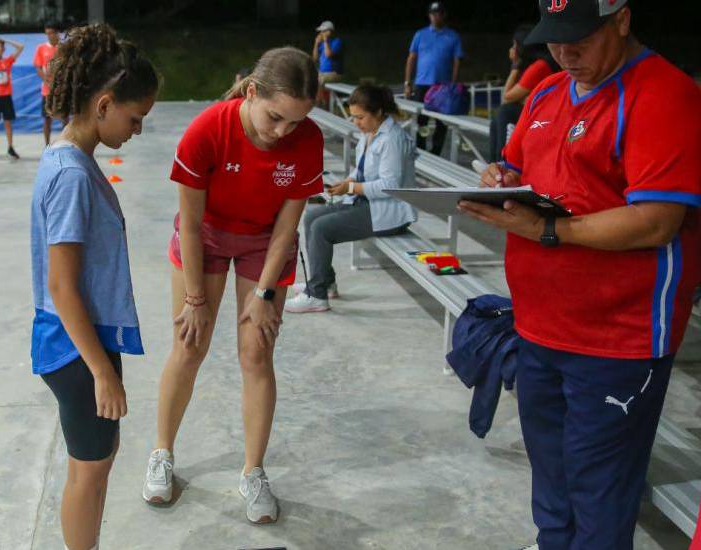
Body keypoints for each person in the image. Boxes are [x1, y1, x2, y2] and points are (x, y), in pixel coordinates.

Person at [457, 0, 701, 548]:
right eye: (555, 40)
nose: (565, 54)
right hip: (539, 326)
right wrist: (500, 178)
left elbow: (657, 222)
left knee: (599, 492)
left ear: (622, 19)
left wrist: (549, 232)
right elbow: (518, 169)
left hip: (617, 339)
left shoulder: (663, 94)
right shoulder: (547, 92)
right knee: (551, 477)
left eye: (580, 39)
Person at [142, 47, 323, 525]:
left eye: (295, 122)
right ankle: (162, 453)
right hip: (205, 236)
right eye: (276, 117)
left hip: (265, 243)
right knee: (189, 344)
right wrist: (197, 299)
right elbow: (191, 218)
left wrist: (265, 295)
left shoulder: (307, 139)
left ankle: (253, 471)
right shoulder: (208, 130)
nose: (284, 132)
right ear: (251, 93)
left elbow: (287, 228)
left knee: (257, 354)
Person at [30, 23, 158, 550]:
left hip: (87, 343)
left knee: (99, 460)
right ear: (104, 104)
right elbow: (62, 287)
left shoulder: (73, 162)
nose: (138, 130)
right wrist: (102, 373)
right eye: (136, 117)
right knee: (89, 469)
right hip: (76, 348)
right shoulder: (72, 176)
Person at [285, 84, 418, 313]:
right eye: (353, 116)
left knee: (322, 229)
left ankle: (316, 295)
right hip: (369, 204)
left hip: (390, 211)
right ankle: (325, 283)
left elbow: (390, 185)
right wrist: (346, 183)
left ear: (377, 112)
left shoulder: (392, 139)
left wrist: (352, 187)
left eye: (360, 117)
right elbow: (362, 170)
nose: (355, 122)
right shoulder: (370, 132)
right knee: (311, 216)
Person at [488, 24, 559, 161]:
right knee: (499, 116)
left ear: (524, 47)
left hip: (545, 116)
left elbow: (507, 97)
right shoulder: (537, 64)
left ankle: (502, 162)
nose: (512, 50)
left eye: (515, 45)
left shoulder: (539, 67)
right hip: (539, 112)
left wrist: (515, 66)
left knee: (505, 111)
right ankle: (494, 163)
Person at [404, 1, 463, 154]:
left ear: (444, 15)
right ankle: (420, 149)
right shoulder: (420, 34)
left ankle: (436, 151)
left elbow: (457, 61)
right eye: (432, 13)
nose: (435, 17)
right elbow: (411, 58)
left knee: (441, 122)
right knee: (420, 119)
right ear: (429, 15)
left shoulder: (453, 36)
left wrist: (453, 84)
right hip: (422, 83)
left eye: (438, 13)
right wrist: (407, 83)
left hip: (442, 86)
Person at [33, 21, 61, 146]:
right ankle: (47, 145)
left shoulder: (63, 48)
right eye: (47, 33)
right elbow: (38, 68)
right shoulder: (41, 48)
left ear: (57, 33)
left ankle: (66, 143)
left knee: (65, 117)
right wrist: (47, 81)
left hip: (62, 89)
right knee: (47, 119)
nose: (49, 36)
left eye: (51, 33)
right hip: (47, 90)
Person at [311, 20, 344, 107]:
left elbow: (329, 55)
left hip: (334, 74)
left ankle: (318, 105)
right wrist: (316, 43)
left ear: (329, 31)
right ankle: (319, 103)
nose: (321, 33)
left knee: (319, 80)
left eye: (323, 31)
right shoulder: (322, 44)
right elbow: (315, 58)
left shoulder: (337, 42)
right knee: (311, 78)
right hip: (323, 74)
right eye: (321, 31)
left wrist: (325, 40)